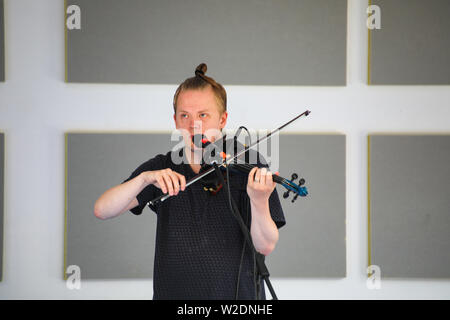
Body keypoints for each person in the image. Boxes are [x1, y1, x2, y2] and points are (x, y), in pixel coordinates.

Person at [93, 63, 285, 300]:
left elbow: (264, 246)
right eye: (185, 115)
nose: (193, 125)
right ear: (175, 120)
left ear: (222, 119)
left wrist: (259, 201)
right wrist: (144, 179)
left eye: (203, 115)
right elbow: (102, 210)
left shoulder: (248, 163)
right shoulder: (162, 167)